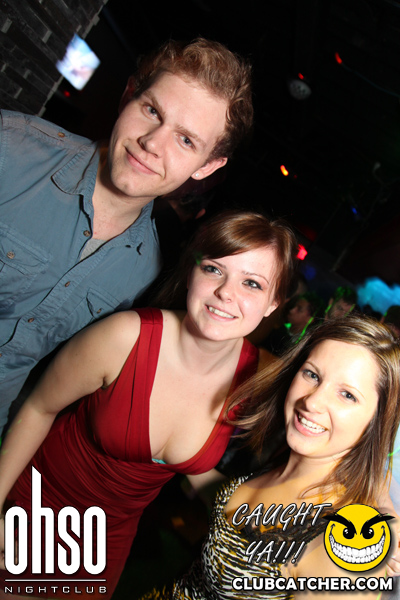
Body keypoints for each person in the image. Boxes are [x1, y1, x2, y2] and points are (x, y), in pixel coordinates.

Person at [0, 211, 297, 599]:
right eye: (214, 269)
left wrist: (257, 521)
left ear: (274, 303)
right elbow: (38, 409)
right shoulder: (124, 337)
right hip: (33, 506)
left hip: (106, 542)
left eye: (252, 283)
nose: (226, 292)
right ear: (191, 273)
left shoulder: (261, 379)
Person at [0, 36, 253, 435]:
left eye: (186, 140)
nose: (152, 143)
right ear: (128, 96)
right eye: (152, 111)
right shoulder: (11, 148)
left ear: (206, 166)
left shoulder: (143, 269)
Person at [148, 315, 400, 599]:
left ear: (377, 421)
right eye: (312, 375)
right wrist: (173, 450)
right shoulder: (290, 463)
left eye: (347, 395)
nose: (312, 401)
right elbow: (235, 511)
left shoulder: (346, 545)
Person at [262, 291, 324, 356]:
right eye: (295, 306)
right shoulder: (277, 327)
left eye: (299, 309)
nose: (292, 310)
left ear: (309, 319)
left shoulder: (305, 346)